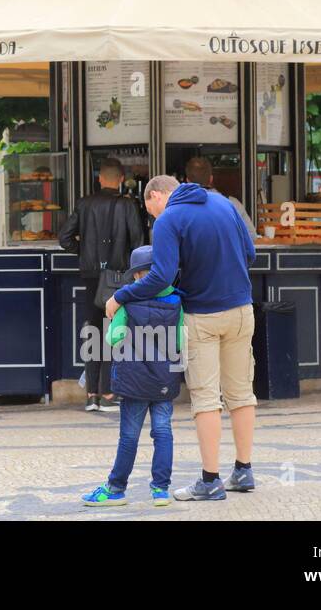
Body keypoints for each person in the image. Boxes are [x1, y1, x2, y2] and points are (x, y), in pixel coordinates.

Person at [108, 173, 257, 502]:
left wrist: (120, 296)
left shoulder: (169, 219)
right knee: (241, 393)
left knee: (206, 398)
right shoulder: (224, 202)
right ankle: (244, 470)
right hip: (242, 310)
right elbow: (251, 254)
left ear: (157, 196)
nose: (154, 219)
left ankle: (210, 480)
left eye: (152, 211)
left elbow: (160, 275)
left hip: (202, 315)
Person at [82, 246, 183, 507]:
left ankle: (116, 489)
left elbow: (113, 338)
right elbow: (182, 340)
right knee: (163, 432)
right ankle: (161, 490)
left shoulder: (126, 302)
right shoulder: (176, 302)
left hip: (134, 380)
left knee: (129, 436)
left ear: (137, 276)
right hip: (164, 380)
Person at [57, 156, 145, 411]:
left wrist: (83, 252)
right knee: (114, 331)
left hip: (90, 277)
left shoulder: (84, 204)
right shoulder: (127, 205)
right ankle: (108, 393)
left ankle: (91, 394)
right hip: (117, 279)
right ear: (120, 180)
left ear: (99, 178)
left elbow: (64, 237)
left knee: (93, 330)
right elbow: (138, 242)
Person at [184, 156, 256, 240]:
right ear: (211, 179)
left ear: (187, 180)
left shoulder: (178, 208)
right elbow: (251, 235)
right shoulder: (233, 204)